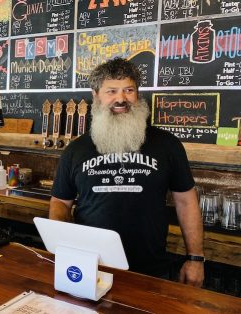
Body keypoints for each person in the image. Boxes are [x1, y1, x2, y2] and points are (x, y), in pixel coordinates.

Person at [49, 57, 204, 286]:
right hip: (91, 268)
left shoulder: (167, 144)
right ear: (96, 95)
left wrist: (195, 258)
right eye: (111, 91)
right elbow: (61, 203)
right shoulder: (76, 149)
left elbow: (186, 202)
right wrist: (63, 248)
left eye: (128, 90)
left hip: (151, 270)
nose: (121, 99)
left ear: (137, 94)